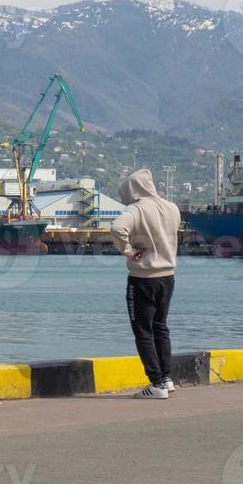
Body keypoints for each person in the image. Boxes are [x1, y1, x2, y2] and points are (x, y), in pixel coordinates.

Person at [110, 168, 182, 400]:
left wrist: (128, 251)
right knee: (161, 326)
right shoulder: (172, 208)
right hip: (168, 276)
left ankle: (156, 383)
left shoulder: (135, 209)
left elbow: (117, 228)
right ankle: (167, 378)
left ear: (132, 190)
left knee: (143, 331)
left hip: (143, 278)